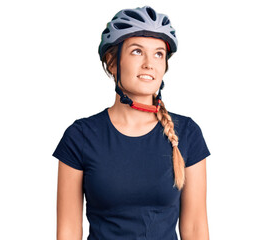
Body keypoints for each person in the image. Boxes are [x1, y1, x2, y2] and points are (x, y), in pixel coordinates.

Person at [52, 6, 211, 240]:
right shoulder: (80, 136)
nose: (149, 63)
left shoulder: (186, 133)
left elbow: (196, 228)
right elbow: (68, 231)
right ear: (112, 62)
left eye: (158, 54)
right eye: (137, 52)